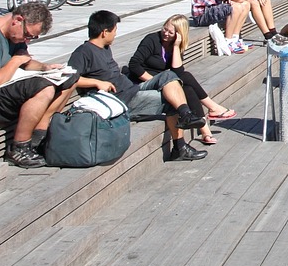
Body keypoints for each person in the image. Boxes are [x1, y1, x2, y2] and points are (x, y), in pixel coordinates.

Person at [0, 2, 79, 169]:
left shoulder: (15, 34)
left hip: (1, 88)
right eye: (27, 35)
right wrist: (16, 60)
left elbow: (24, 62)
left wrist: (44, 67)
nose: (27, 40)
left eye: (32, 38)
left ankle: (39, 135)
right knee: (44, 87)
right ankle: (19, 148)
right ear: (18, 20)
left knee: (70, 78)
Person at [69, 10, 206, 162]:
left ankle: (186, 114)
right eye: (114, 30)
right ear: (104, 32)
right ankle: (180, 148)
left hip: (131, 89)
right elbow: (70, 78)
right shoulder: (83, 53)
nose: (115, 34)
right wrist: (96, 82)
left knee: (169, 75)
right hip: (121, 100)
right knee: (172, 102)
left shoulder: (104, 48)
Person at [128, 15, 235, 146]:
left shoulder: (176, 45)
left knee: (187, 87)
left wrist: (176, 46)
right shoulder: (152, 40)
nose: (165, 33)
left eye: (170, 32)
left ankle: (204, 129)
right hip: (142, 82)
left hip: (163, 81)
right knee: (186, 77)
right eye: (164, 29)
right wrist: (157, 81)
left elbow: (177, 71)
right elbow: (134, 65)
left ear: (179, 34)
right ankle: (212, 108)